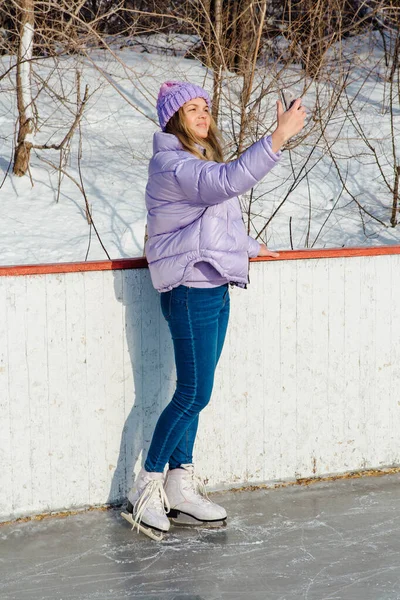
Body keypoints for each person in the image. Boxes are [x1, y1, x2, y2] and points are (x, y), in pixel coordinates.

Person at [122, 81, 306, 541]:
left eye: (206, 107)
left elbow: (212, 224)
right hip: (190, 288)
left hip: (214, 283)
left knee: (197, 391)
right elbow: (225, 184)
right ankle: (145, 486)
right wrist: (276, 139)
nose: (203, 115)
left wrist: (249, 246)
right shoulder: (173, 163)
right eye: (192, 108)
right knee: (193, 394)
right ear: (173, 118)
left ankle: (180, 484)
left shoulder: (198, 161)